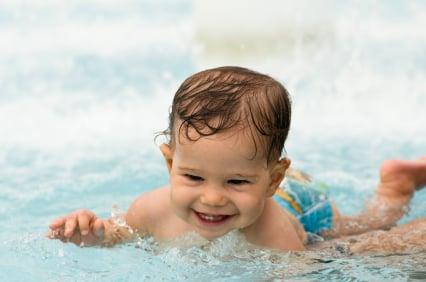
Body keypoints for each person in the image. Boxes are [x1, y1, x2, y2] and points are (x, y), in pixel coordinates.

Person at [48, 66, 426, 251]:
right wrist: (92, 233)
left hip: (303, 202)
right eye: (194, 177)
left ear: (271, 179)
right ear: (170, 164)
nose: (212, 198)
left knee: (357, 234)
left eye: (236, 182)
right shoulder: (150, 209)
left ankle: (394, 189)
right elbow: (119, 234)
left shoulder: (276, 235)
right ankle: (396, 182)